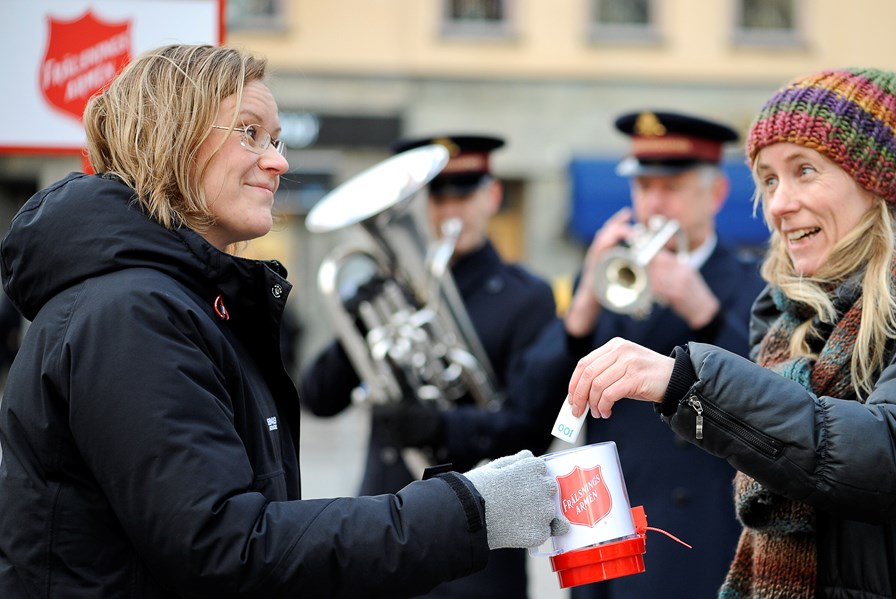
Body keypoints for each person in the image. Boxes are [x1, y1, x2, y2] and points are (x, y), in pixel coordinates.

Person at [0, 44, 566, 598]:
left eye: (276, 139)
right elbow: (227, 548)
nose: (279, 161)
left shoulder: (172, 302)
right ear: (169, 138)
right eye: (249, 132)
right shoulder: (132, 313)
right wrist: (468, 507)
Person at [565, 68, 896, 598]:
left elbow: (894, 457)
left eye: (804, 170)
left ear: (873, 182)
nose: (779, 203)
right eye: (768, 179)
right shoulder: (787, 312)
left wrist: (689, 379)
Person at [520, 110, 766, 598]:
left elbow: (773, 409)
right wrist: (584, 305)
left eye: (669, 188)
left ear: (714, 194)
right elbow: (535, 413)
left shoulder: (751, 284)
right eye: (642, 187)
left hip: (696, 545)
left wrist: (705, 312)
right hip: (604, 538)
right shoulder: (609, 277)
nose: (653, 204)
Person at [299, 134, 558, 598]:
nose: (448, 210)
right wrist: (359, 319)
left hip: (480, 554)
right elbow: (318, 397)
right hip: (385, 535)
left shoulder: (526, 296)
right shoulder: (385, 292)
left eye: (464, 193)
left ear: (492, 196)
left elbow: (531, 430)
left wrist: (439, 426)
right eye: (436, 195)